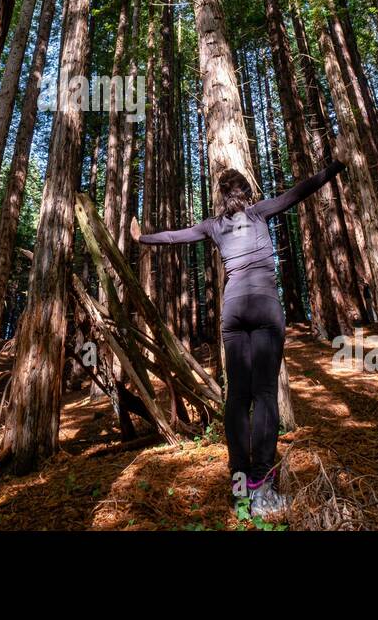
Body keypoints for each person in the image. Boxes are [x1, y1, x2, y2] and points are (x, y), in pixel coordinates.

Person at [131, 158, 345, 519]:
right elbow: (302, 189)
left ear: (221, 196)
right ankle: (262, 489)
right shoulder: (260, 213)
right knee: (263, 395)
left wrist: (141, 238)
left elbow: (173, 237)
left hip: (233, 312)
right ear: (246, 192)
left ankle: (239, 487)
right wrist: (336, 165)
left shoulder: (213, 226)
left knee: (237, 397)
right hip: (264, 308)